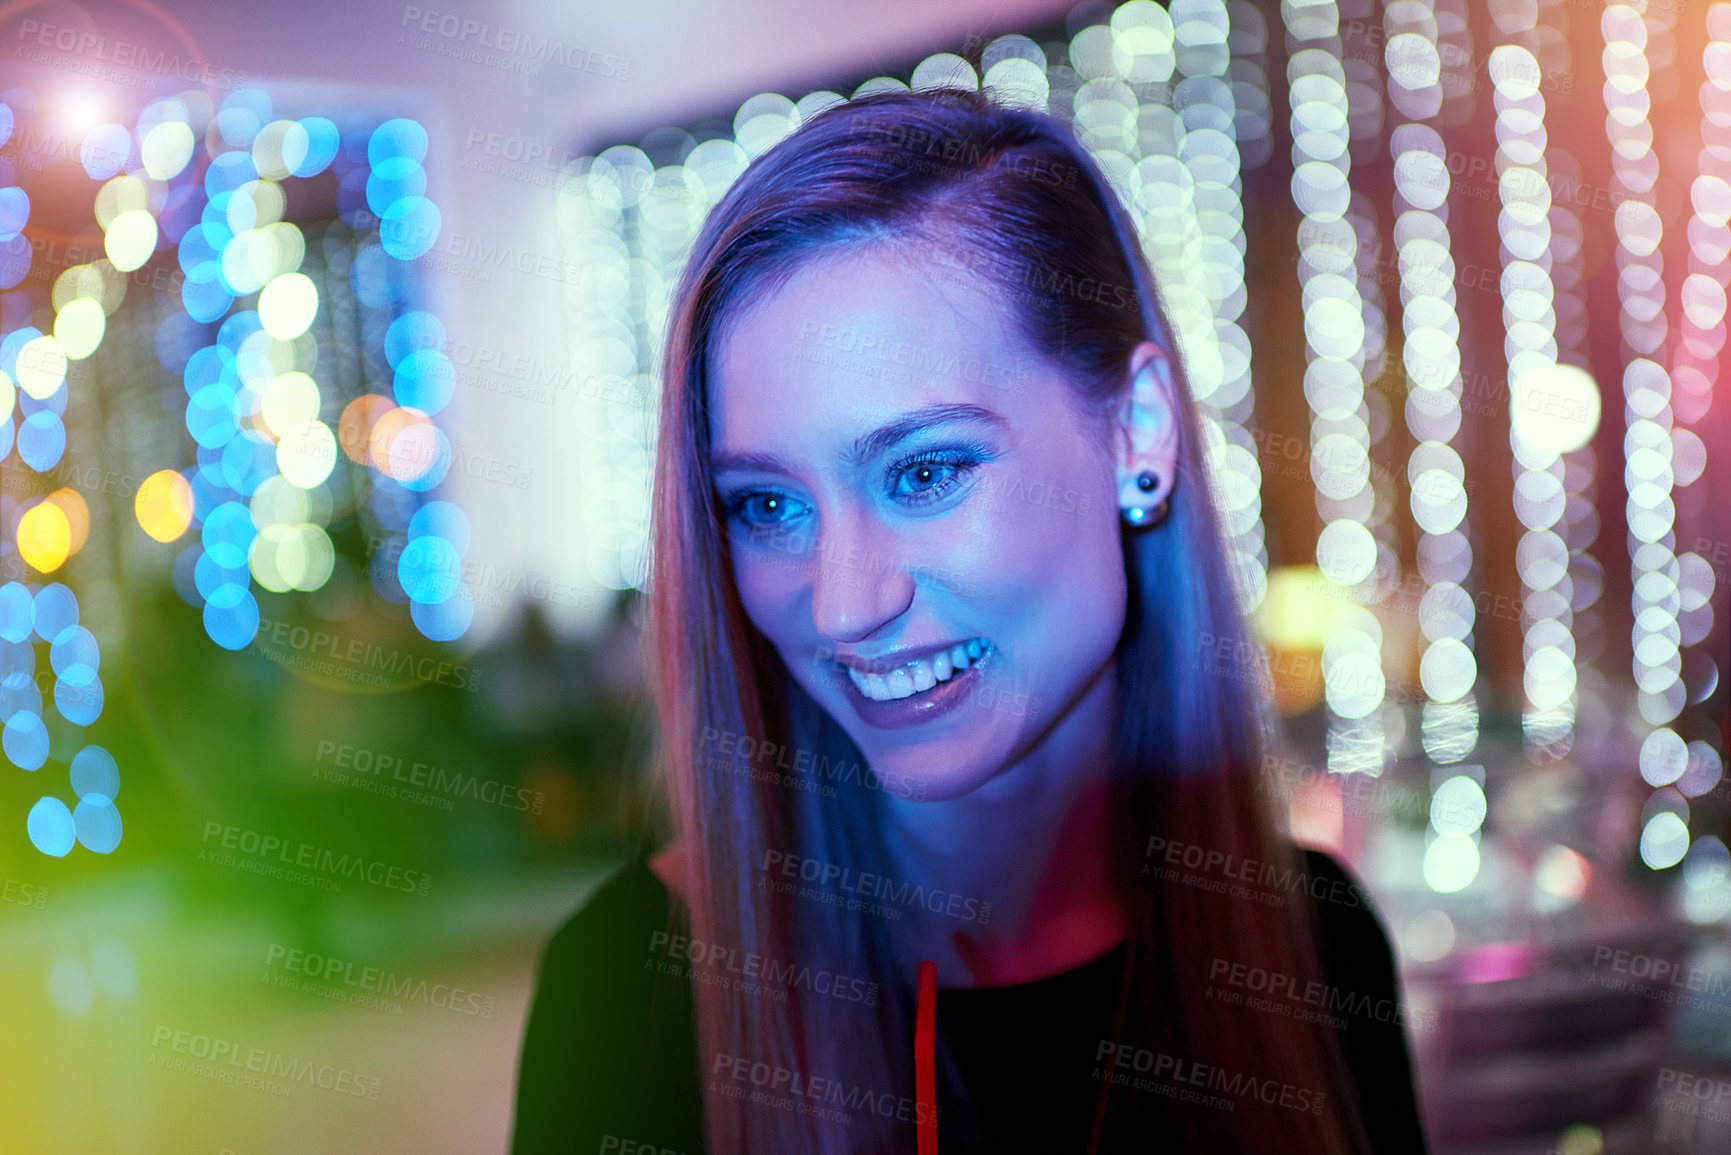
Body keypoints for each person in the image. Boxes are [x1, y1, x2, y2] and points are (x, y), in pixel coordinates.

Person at [512, 88, 1428, 1154]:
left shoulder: (1313, 947)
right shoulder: (633, 992)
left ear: (1137, 432)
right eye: (768, 506)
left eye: (926, 470)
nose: (847, 603)